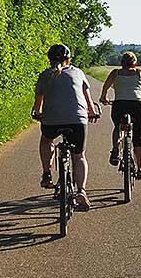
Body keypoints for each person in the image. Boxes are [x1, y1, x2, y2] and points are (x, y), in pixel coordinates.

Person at [32, 44, 100, 210]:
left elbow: (38, 104)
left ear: (49, 60)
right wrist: (91, 112)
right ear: (69, 59)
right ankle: (82, 191)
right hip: (77, 120)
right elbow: (87, 100)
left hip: (51, 120)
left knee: (46, 140)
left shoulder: (45, 75)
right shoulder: (78, 73)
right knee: (79, 156)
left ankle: (47, 173)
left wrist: (38, 113)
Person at [99, 51, 141, 180]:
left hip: (120, 105)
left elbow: (106, 87)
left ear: (121, 63)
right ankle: (140, 170)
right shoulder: (139, 72)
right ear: (135, 63)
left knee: (117, 126)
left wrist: (103, 98)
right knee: (137, 136)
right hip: (137, 105)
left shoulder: (115, 73)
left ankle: (115, 149)